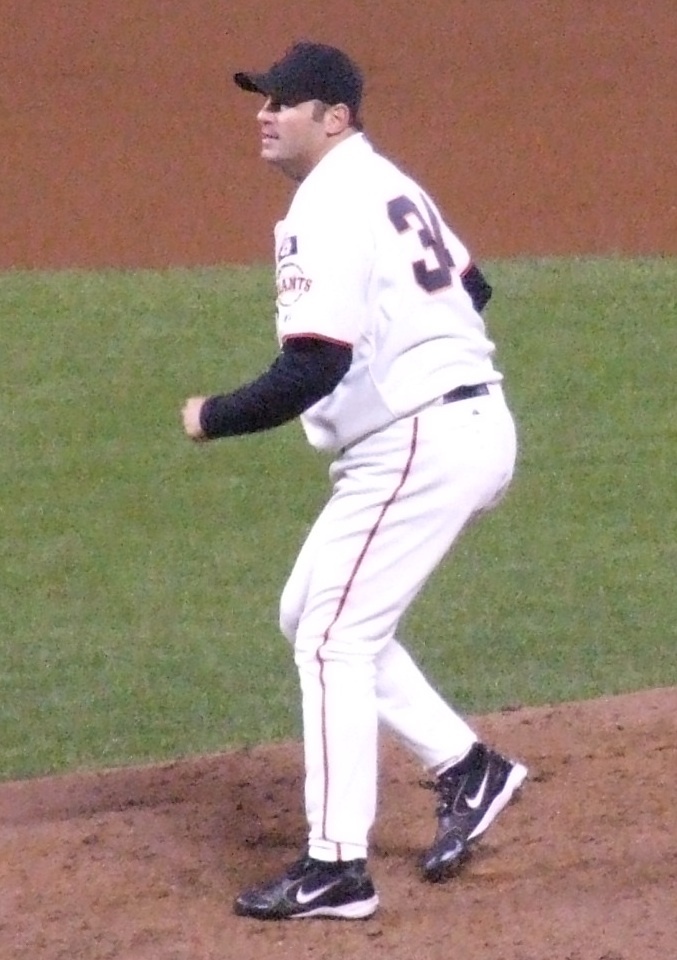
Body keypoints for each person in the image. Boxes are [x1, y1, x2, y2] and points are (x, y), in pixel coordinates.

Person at [182, 40, 527, 921]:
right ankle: (466, 767)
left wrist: (212, 415)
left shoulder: (328, 204)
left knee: (332, 639)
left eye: (281, 102)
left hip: (419, 440)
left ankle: (336, 867)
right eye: (262, 99)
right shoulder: (385, 182)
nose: (263, 114)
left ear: (333, 118)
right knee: (312, 614)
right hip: (452, 425)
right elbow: (472, 289)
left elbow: (311, 367)